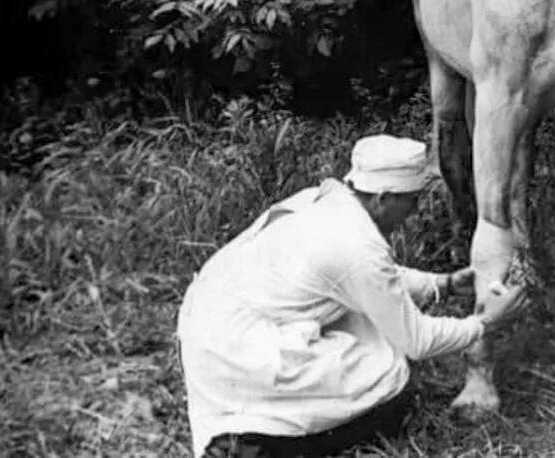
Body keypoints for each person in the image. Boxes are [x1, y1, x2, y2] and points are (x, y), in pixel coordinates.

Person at [176, 134, 528, 458]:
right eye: (411, 201)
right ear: (382, 199)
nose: (415, 212)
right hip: (240, 352)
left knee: (365, 324)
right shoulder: (357, 246)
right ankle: (256, 442)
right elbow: (417, 340)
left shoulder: (322, 203)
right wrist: (484, 324)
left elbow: (362, 279)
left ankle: (256, 424)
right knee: (390, 379)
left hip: (209, 325)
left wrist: (445, 283)